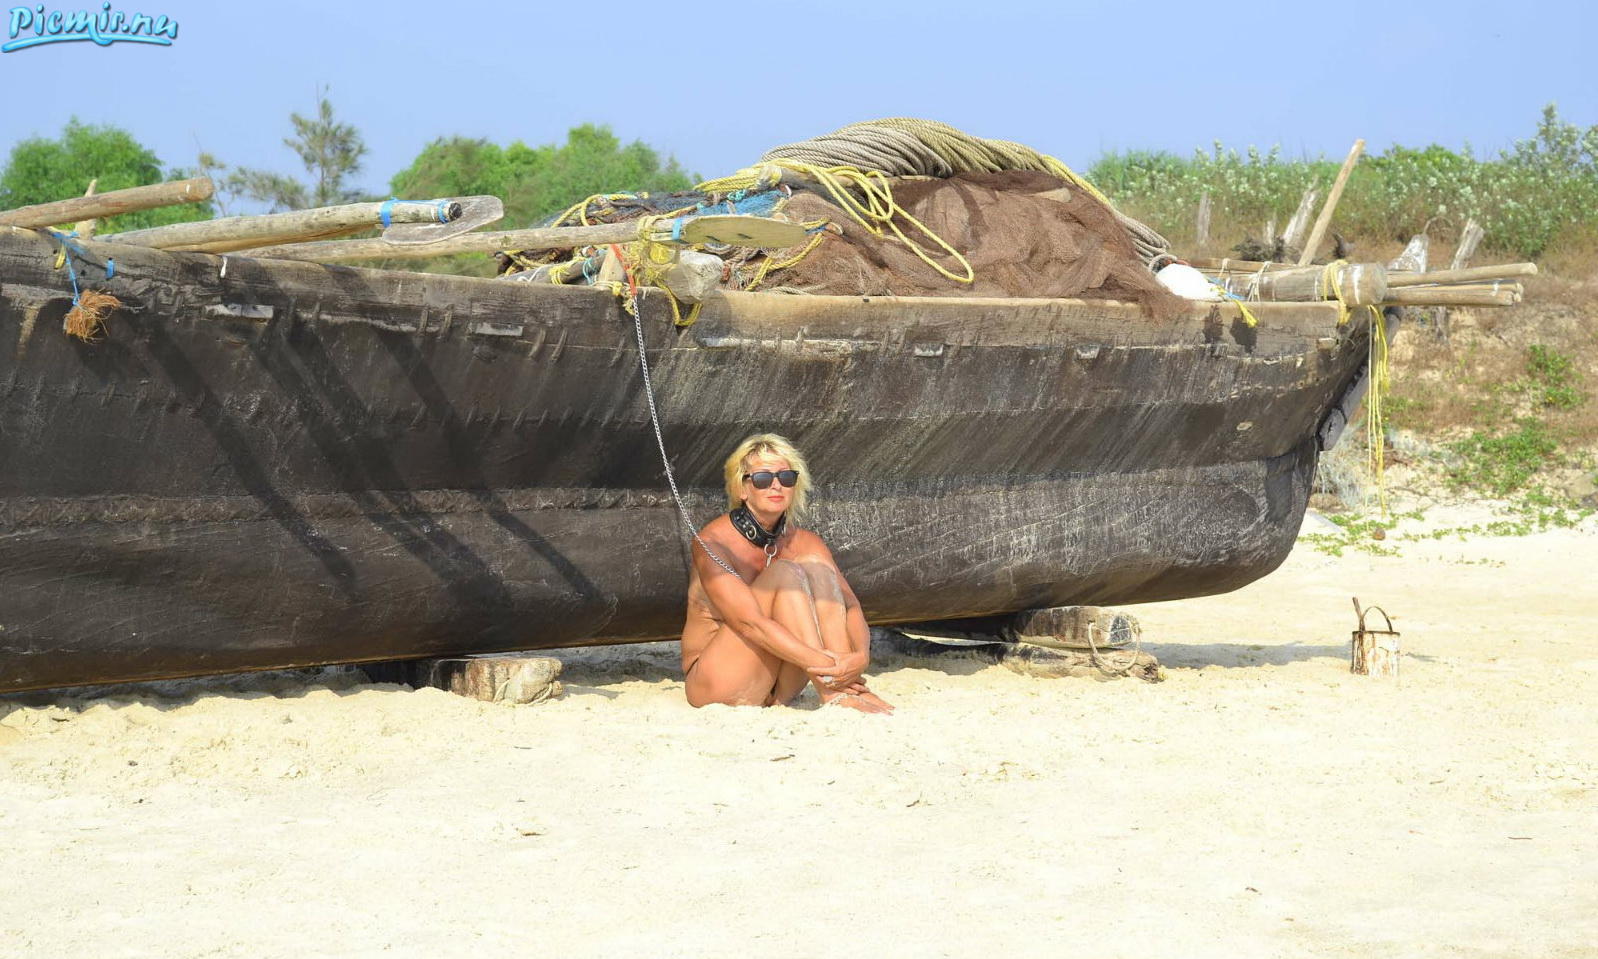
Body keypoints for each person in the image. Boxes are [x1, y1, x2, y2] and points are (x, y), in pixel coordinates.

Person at [681, 433, 893, 714]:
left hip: (780, 681)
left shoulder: (805, 542)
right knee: (785, 573)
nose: (776, 485)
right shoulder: (713, 542)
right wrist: (830, 668)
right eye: (762, 478)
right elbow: (749, 624)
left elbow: (851, 606)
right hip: (718, 680)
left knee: (816, 568)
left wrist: (859, 659)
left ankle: (843, 687)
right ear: (742, 488)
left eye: (786, 477)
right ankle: (834, 691)